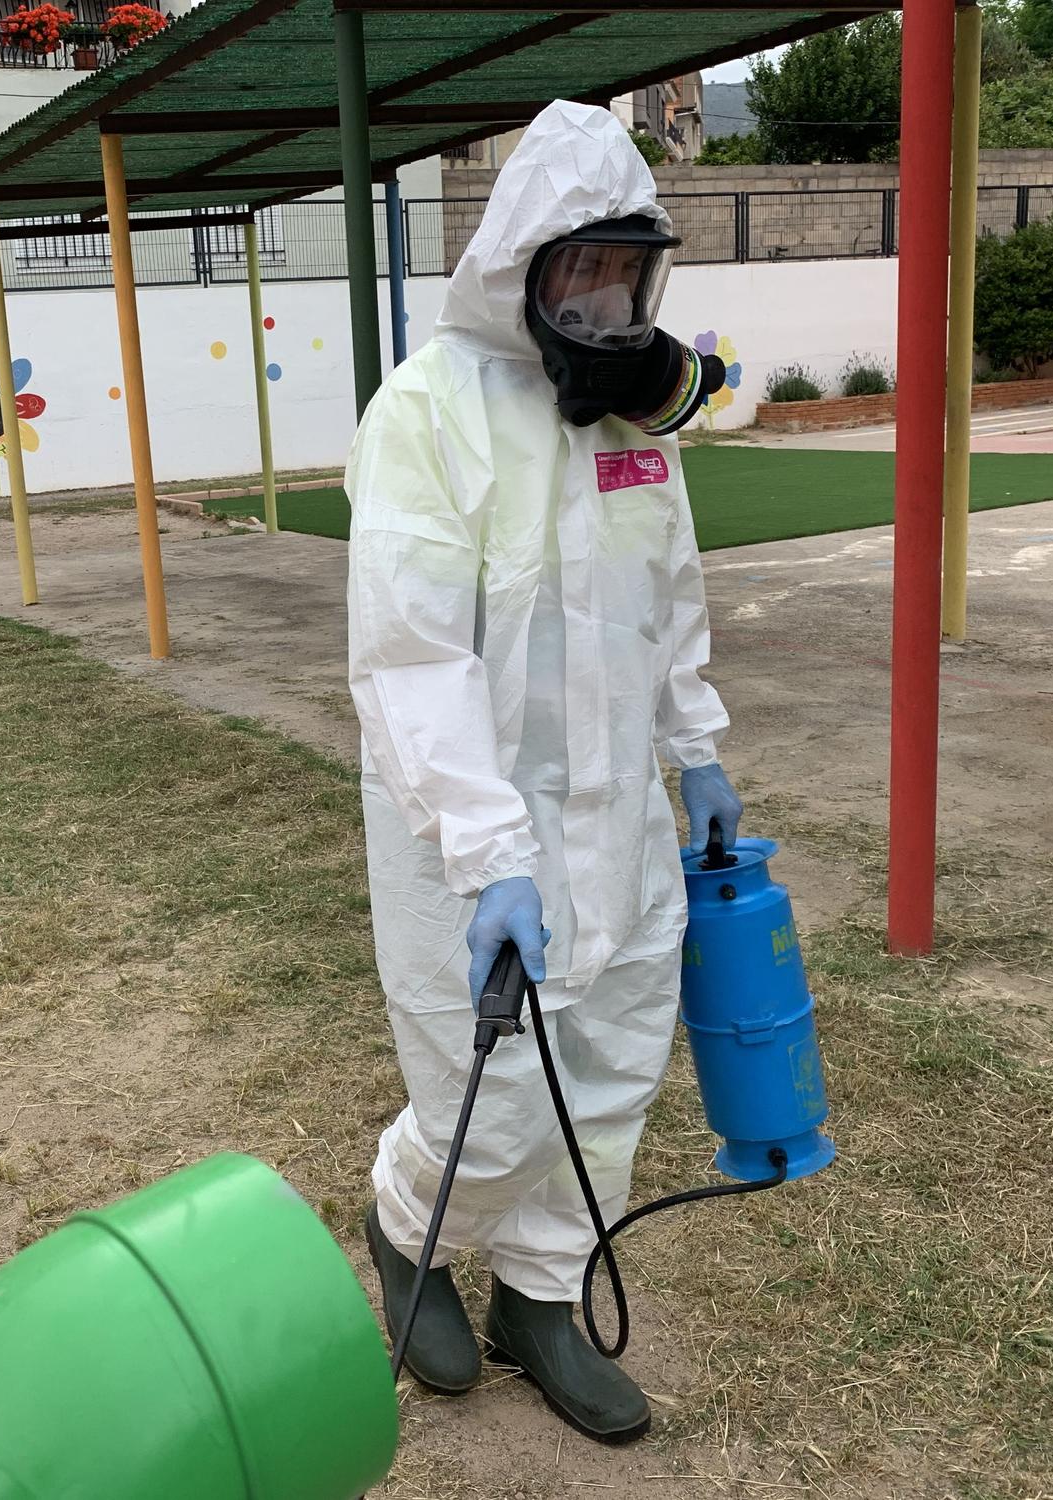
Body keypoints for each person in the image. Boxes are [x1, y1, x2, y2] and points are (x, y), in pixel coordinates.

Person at [346, 100, 743, 1444]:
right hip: (477, 840)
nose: (603, 300)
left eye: (625, 273)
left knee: (618, 1057)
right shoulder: (429, 412)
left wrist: (696, 754)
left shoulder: (635, 423)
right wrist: (489, 851)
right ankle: (409, 1225)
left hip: (623, 816)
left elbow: (665, 593)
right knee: (495, 1086)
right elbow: (411, 660)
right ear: (520, 263)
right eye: (578, 269)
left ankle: (544, 1290)